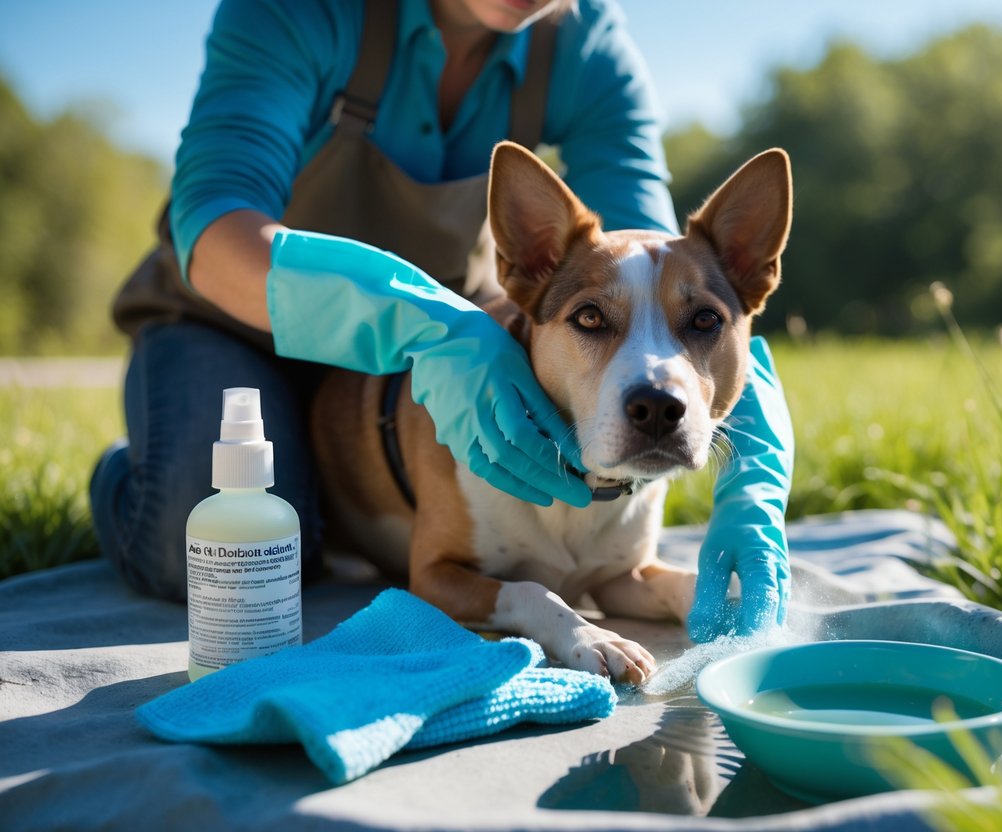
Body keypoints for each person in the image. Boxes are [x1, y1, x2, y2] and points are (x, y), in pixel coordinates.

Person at [89, 0, 793, 642]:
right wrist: (427, 327)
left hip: (427, 368)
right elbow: (212, 230)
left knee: (281, 536)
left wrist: (745, 447)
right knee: (221, 558)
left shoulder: (585, 46)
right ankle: (132, 465)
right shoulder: (292, 10)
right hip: (229, 321)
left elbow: (646, 259)